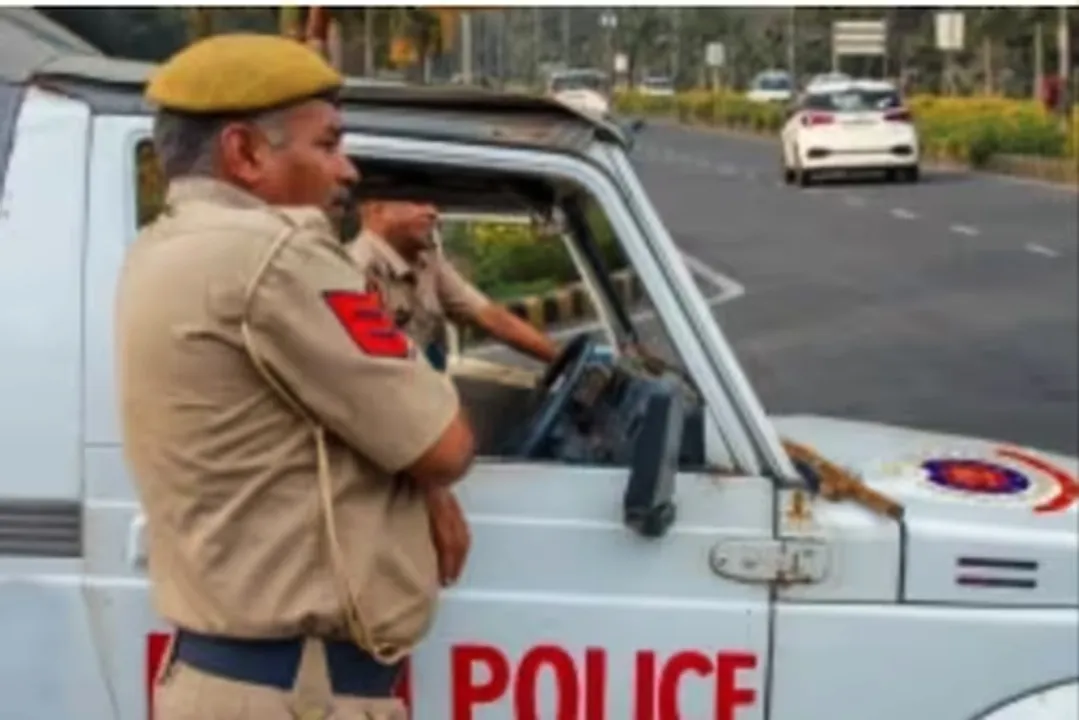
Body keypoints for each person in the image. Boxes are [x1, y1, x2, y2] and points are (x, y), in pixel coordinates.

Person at [116, 34, 476, 720]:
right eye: (327, 144)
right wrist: (428, 474)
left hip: (224, 678)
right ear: (245, 152)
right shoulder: (277, 257)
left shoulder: (161, 249)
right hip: (301, 693)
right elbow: (446, 444)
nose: (347, 170)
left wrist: (420, 481)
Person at [351, 199, 560, 370]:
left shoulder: (427, 261)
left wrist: (559, 358)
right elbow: (377, 373)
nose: (433, 212)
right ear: (376, 208)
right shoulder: (355, 271)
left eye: (434, 204)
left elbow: (492, 318)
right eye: (418, 202)